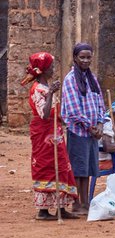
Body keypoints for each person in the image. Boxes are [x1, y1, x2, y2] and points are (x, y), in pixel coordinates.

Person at [23, 52, 78, 220]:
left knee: (61, 165)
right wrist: (52, 93)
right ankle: (44, 211)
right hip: (44, 133)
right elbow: (44, 114)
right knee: (46, 165)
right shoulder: (37, 89)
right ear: (44, 70)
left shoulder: (46, 88)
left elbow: (55, 113)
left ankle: (61, 208)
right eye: (51, 67)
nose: (54, 69)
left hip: (55, 133)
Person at [59, 42, 106, 212]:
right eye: (82, 57)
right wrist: (89, 126)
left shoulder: (91, 78)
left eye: (88, 57)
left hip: (93, 132)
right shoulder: (70, 79)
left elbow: (100, 102)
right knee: (78, 169)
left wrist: (100, 123)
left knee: (88, 168)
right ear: (75, 58)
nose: (86, 61)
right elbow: (73, 110)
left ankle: (86, 202)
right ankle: (77, 203)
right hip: (78, 131)